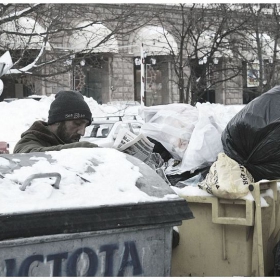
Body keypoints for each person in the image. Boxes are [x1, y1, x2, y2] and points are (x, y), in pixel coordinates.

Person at [14, 90, 99, 153]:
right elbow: (27, 155)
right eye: (77, 123)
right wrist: (80, 148)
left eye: (85, 126)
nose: (82, 132)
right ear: (57, 121)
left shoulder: (66, 142)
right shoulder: (29, 141)